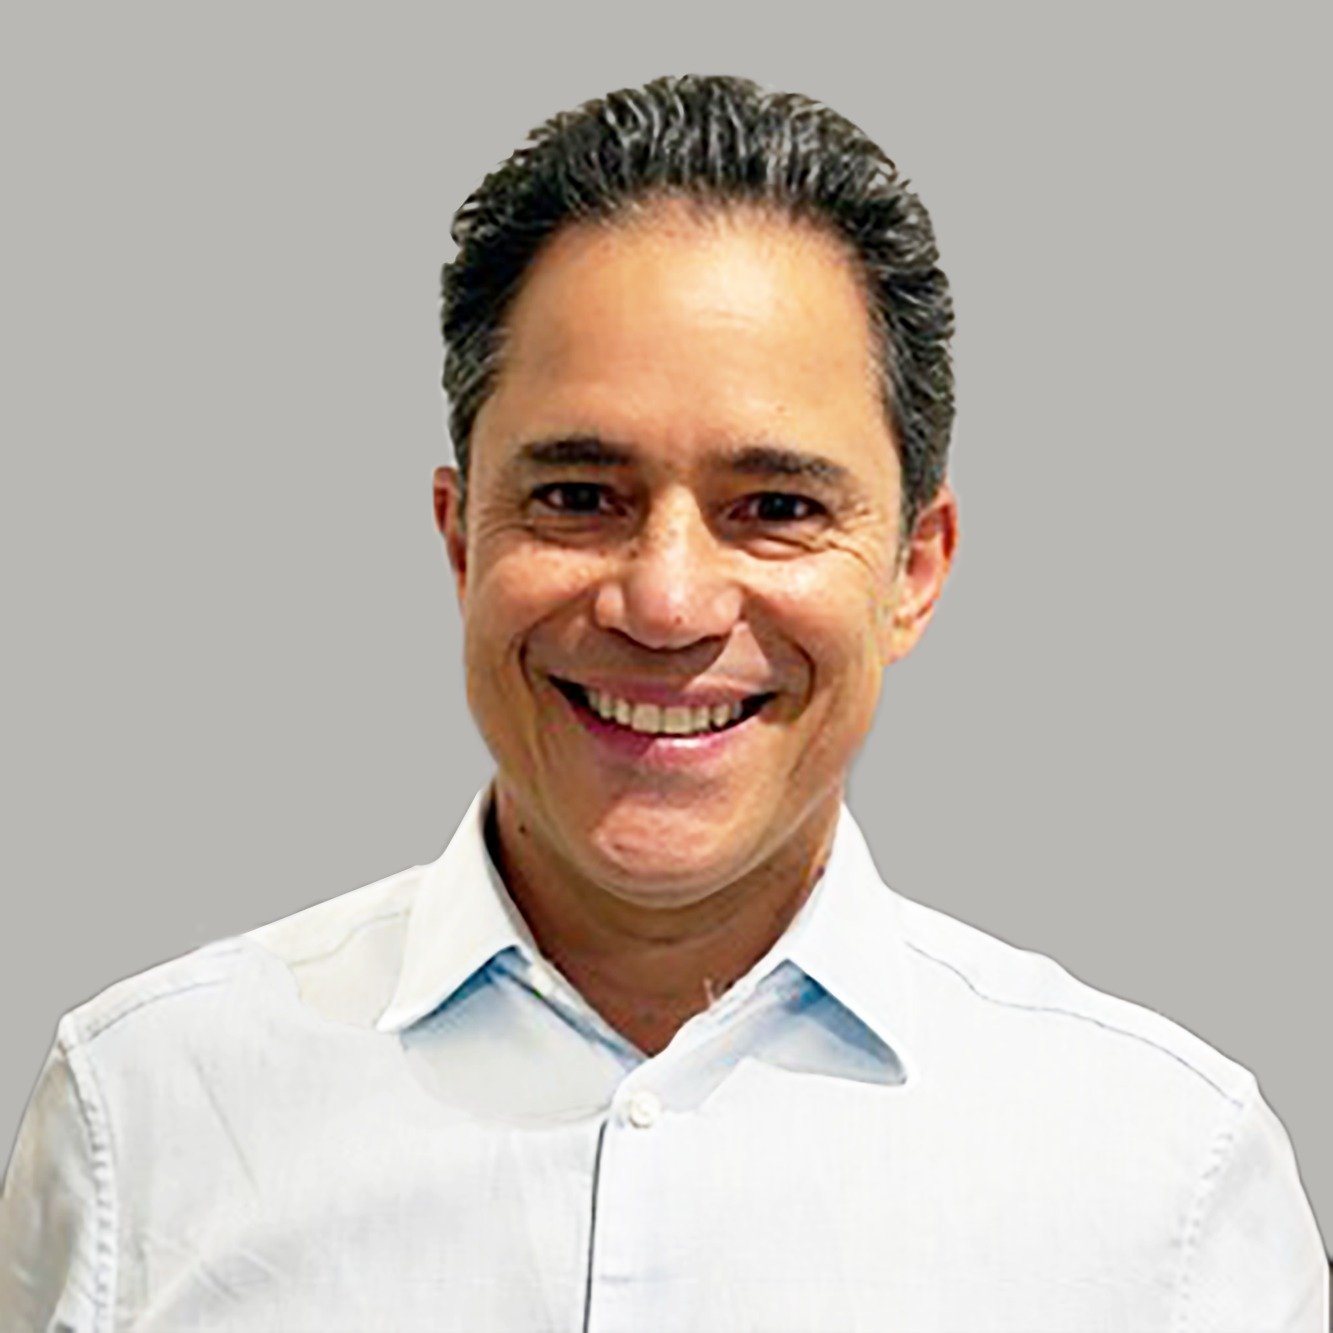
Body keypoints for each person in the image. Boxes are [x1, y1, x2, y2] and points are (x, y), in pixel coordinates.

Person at [1, 72, 1325, 1331]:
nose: (667, 601)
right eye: (580, 497)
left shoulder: (1168, 1181)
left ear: (913, 570)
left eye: (776, 506)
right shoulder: (146, 1116)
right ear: (461, 539)